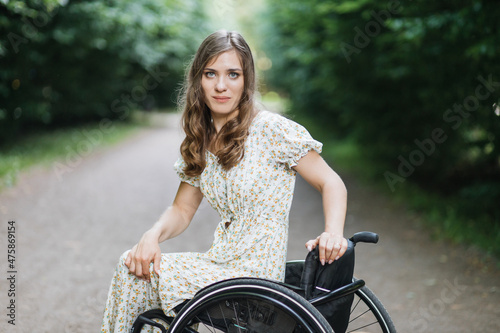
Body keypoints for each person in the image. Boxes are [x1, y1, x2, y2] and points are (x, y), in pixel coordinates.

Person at [101, 30, 348, 332]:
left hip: (254, 275)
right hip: (219, 264)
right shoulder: (201, 140)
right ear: (198, 79)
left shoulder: (271, 130)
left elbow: (331, 182)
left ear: (246, 80)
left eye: (233, 74)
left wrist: (333, 233)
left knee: (134, 270)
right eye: (210, 74)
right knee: (135, 264)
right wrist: (151, 236)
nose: (221, 86)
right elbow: (181, 210)